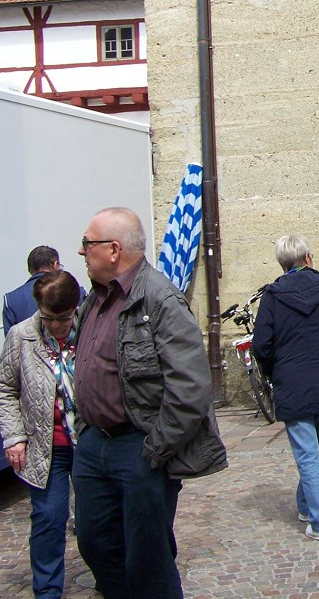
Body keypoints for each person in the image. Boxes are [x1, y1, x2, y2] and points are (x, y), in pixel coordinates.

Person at [72, 207, 226, 599]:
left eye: (87, 243)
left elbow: (191, 387)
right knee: (94, 544)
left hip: (138, 446)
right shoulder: (96, 299)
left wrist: (154, 448)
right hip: (94, 446)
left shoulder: (159, 297)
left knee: (147, 558)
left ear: (113, 249)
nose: (80, 250)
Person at [255, 234, 319, 541]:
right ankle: (305, 505)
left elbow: (262, 345)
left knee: (308, 453)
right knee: (313, 450)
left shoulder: (272, 296)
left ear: (283, 263)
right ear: (308, 258)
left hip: (294, 381)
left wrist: (275, 372)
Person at [0, 270, 83, 599]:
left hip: (89, 445)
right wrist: (14, 436)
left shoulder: (90, 329)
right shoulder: (21, 336)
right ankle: (47, 592)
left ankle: (109, 576)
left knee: (94, 521)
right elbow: (3, 388)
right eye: (48, 317)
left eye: (63, 318)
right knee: (48, 520)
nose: (56, 325)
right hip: (48, 448)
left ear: (76, 308)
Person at [3, 246, 84, 336]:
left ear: (30, 269)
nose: (55, 325)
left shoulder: (10, 300)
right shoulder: (78, 292)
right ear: (56, 265)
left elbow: (10, 339)